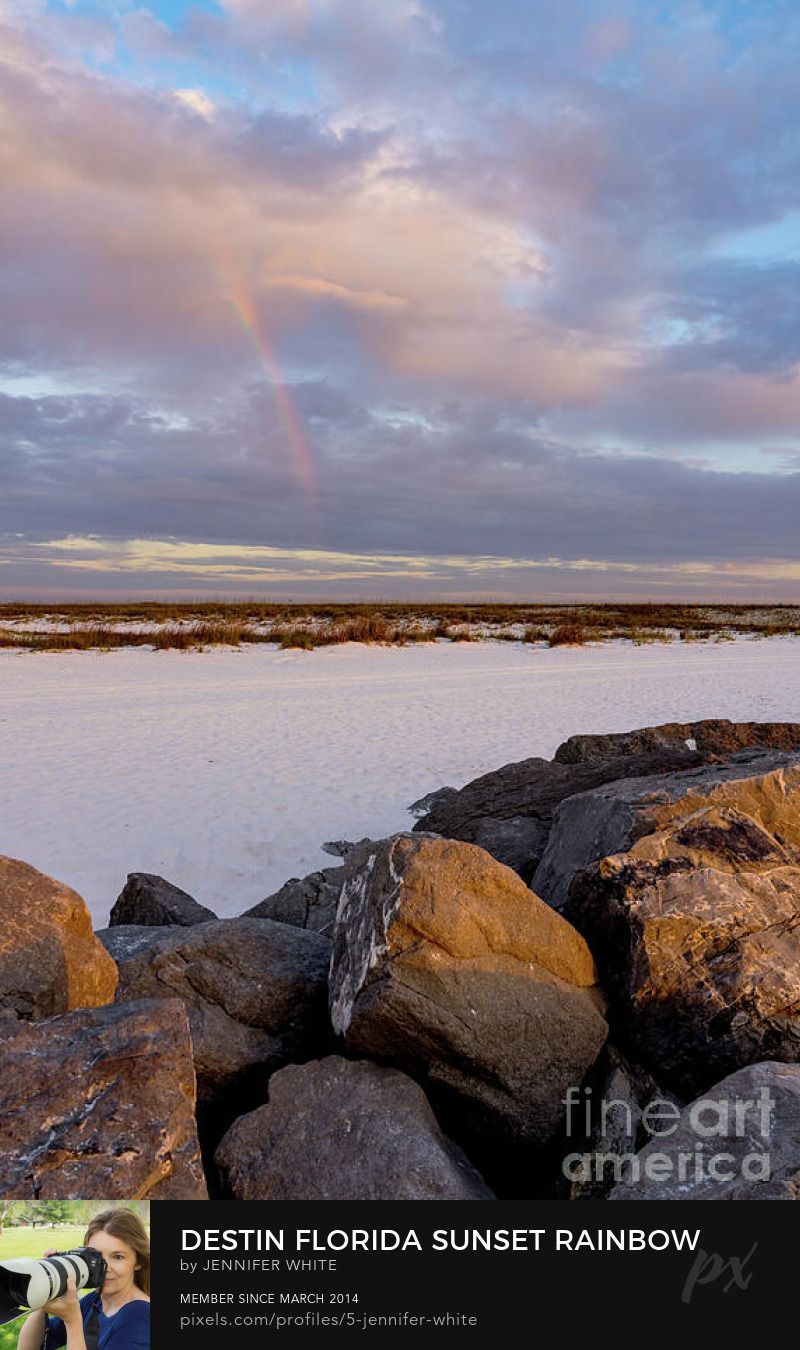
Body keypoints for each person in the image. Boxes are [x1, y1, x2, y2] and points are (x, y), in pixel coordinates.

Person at [17, 1208, 150, 1350]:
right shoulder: (95, 1301)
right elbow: (28, 1347)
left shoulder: (141, 1316)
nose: (103, 1268)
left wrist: (72, 1321)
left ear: (138, 1261)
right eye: (96, 1257)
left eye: (118, 1257)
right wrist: (47, 1291)